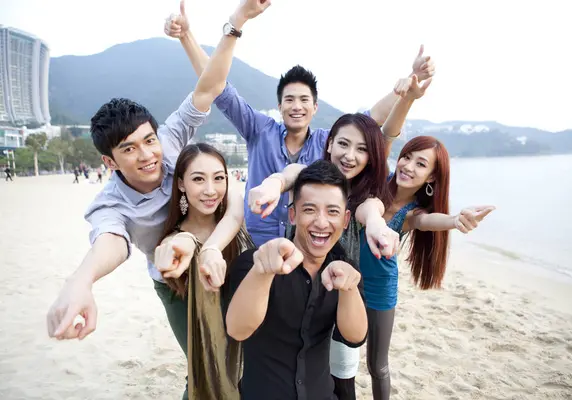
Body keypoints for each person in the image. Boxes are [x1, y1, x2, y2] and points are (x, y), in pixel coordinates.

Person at [45, 1, 270, 398]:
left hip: (222, 258)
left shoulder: (168, 144)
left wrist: (235, 22)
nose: (148, 155)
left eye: (148, 141)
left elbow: (210, 87)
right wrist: (81, 282)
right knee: (202, 362)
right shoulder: (111, 203)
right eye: (129, 149)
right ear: (108, 161)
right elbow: (111, 241)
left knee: (242, 355)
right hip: (174, 282)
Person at [164, 4, 436, 247]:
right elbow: (217, 88)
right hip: (256, 243)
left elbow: (370, 118)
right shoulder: (259, 130)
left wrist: (410, 82)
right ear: (279, 106)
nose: (297, 106)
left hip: (304, 247)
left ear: (315, 108)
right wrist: (187, 37)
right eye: (289, 100)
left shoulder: (328, 142)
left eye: (304, 100)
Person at [246, 75, 433, 398]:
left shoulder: (366, 194)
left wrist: (377, 227)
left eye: (361, 149)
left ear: (371, 157)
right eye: (343, 144)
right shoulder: (312, 174)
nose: (350, 155)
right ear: (328, 143)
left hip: (342, 291)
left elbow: (371, 211)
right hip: (299, 287)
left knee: (343, 376)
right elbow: (290, 174)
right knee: (294, 365)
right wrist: (272, 185)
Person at [359, 134, 495, 400]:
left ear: (432, 177)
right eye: (407, 157)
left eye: (421, 164)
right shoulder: (375, 184)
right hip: (347, 280)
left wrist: (456, 220)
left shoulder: (413, 213)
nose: (408, 166)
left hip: (379, 289)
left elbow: (428, 222)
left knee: (377, 365)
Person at [226, 160, 368, 400]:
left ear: (345, 220)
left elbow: (355, 337)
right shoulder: (256, 262)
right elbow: (238, 330)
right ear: (292, 214)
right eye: (309, 209)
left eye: (332, 211)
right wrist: (262, 272)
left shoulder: (345, 271)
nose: (321, 223)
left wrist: (350, 289)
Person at [154, 143, 255, 400]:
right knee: (205, 372)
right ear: (180, 184)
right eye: (198, 179)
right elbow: (173, 247)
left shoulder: (235, 225)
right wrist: (175, 247)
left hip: (246, 345)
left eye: (218, 178)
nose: (210, 190)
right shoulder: (177, 241)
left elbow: (234, 210)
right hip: (206, 350)